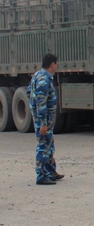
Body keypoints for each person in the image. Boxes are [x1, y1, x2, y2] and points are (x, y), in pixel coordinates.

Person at [27, 53, 63, 185]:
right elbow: (41, 104)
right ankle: (41, 175)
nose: (56, 66)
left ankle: (50, 171)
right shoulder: (43, 80)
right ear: (52, 64)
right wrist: (42, 123)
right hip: (44, 120)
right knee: (43, 145)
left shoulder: (38, 75)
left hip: (46, 120)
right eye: (56, 63)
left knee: (49, 144)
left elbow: (29, 93)